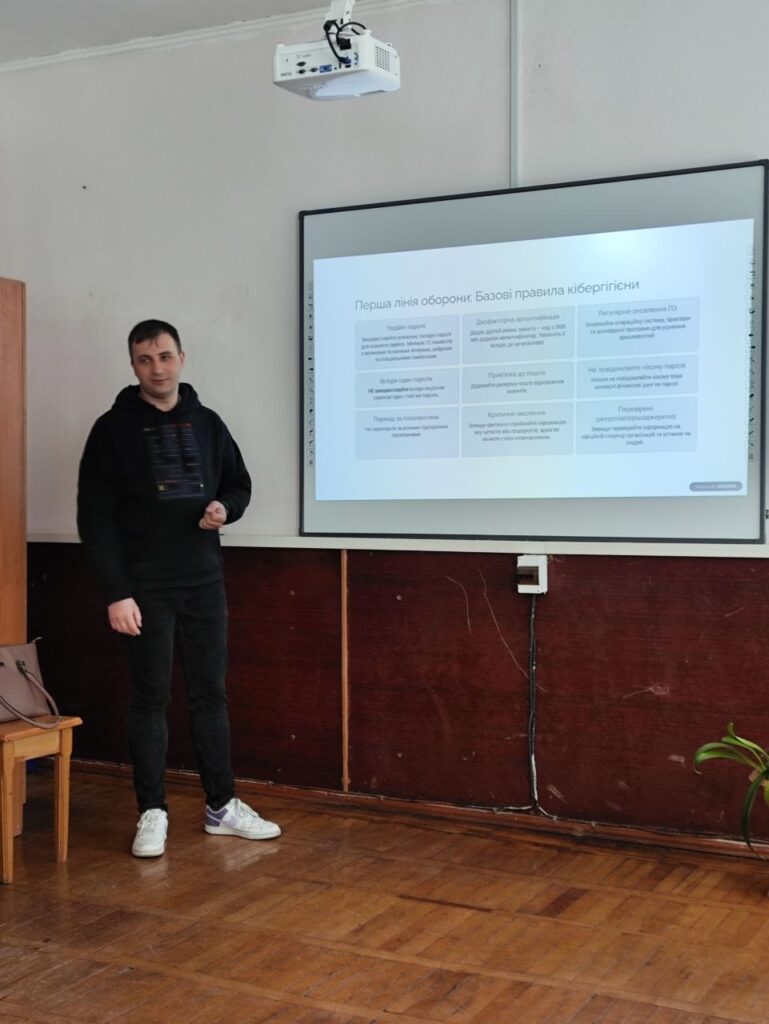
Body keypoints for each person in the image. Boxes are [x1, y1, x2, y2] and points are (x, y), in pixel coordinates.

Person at [77, 319, 281, 858]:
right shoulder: (111, 430)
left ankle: (222, 806)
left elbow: (239, 484)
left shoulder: (209, 423)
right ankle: (152, 811)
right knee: (150, 697)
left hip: (204, 582)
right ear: (133, 365)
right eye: (145, 360)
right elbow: (94, 518)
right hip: (143, 590)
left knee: (211, 694)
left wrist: (225, 508)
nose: (157, 368)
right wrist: (116, 592)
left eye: (165, 356)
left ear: (181, 359)